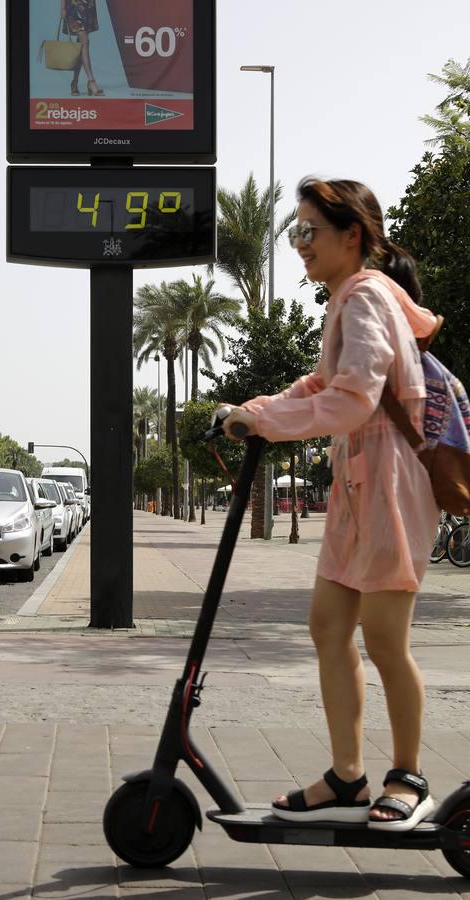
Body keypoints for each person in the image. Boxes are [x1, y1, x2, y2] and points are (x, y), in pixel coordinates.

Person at [220, 177, 441, 832]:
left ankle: (409, 777)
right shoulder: (349, 298)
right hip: (356, 487)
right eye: (297, 232)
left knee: (384, 640)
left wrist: (266, 423)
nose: (301, 244)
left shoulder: (368, 296)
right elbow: (324, 382)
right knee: (327, 625)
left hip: (391, 491)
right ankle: (347, 776)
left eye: (310, 231)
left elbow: (352, 401)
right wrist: (254, 410)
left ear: (354, 236)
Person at [61, 0, 104, 97]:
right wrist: (63, 8)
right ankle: (91, 81)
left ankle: (74, 82)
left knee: (81, 45)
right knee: (85, 41)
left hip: (88, 6)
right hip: (74, 6)